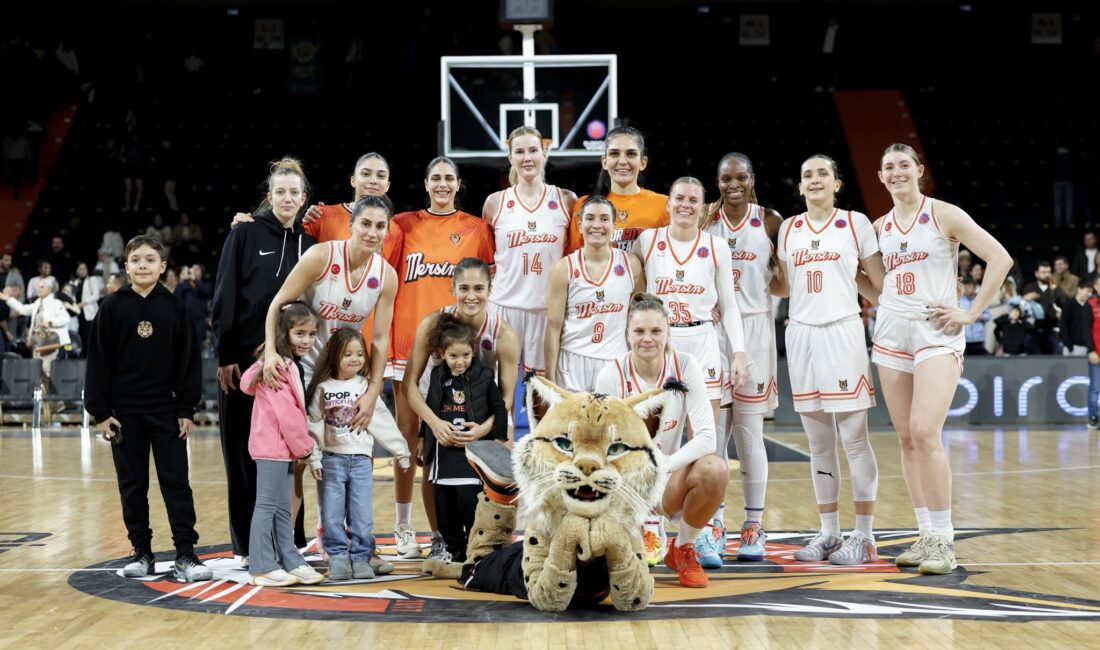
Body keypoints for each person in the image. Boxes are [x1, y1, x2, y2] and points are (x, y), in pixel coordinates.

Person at [870, 143, 1011, 574]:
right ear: (880, 177)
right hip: (892, 332)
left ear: (919, 170)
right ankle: (925, 533)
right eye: (888, 167)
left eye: (903, 165)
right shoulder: (878, 227)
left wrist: (970, 312)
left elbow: (999, 258)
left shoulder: (943, 213)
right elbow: (873, 281)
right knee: (906, 438)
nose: (896, 173)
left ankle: (945, 541)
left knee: (925, 430)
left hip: (938, 332)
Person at [257, 194, 398, 567]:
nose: (371, 232)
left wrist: (372, 391)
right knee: (299, 460)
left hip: (345, 376)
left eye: (379, 226)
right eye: (365, 224)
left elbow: (380, 340)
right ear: (351, 225)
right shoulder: (321, 256)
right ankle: (282, 549)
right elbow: (277, 305)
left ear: (387, 231)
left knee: (348, 456)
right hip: (303, 369)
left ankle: (350, 544)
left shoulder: (386, 276)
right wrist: (272, 352)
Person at [775, 154, 885, 566]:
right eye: (807, 175)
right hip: (801, 333)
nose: (815, 179)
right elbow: (784, 287)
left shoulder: (856, 224)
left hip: (842, 330)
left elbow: (879, 288)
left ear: (837, 183)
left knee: (855, 440)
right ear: (800, 187)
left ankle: (865, 536)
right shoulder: (788, 228)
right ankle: (829, 533)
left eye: (823, 173)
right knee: (818, 444)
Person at [84, 234, 211, 583]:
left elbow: (189, 361)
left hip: (166, 412)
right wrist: (99, 411)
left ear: (163, 266)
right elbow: (97, 362)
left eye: (150, 259)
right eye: (136, 260)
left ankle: (186, 553)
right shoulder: (111, 307)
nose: (143, 265)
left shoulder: (174, 307)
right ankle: (141, 552)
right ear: (126, 267)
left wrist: (186, 407)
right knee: (132, 485)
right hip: (123, 415)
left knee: (176, 484)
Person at [210, 157, 317, 563]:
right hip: (243, 364)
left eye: (295, 192)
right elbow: (224, 297)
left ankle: (291, 538)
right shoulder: (245, 234)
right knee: (242, 454)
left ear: (304, 198)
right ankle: (244, 545)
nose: (288, 198)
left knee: (288, 453)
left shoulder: (310, 243)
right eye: (281, 192)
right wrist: (224, 355)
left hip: (289, 367)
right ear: (269, 196)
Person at [388, 158, 495, 557]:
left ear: (459, 184)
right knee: (408, 446)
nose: (442, 184)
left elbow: (489, 282)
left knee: (445, 446)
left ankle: (450, 535)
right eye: (436, 177)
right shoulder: (401, 224)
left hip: (459, 351)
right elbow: (354, 224)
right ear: (426, 182)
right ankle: (403, 526)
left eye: (449, 178)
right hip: (411, 346)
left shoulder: (477, 229)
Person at [594, 294, 728, 588]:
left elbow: (707, 437)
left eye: (656, 331)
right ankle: (633, 530)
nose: (647, 339)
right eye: (639, 331)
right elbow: (601, 447)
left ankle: (683, 548)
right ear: (628, 334)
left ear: (668, 333)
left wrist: (662, 465)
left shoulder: (685, 365)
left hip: (664, 477)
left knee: (714, 469)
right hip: (622, 484)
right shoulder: (610, 375)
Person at [402, 258, 519, 560]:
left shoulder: (503, 334)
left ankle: (486, 540)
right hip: (438, 407)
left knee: (488, 475)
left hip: (481, 412)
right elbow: (410, 385)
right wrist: (430, 426)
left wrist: (489, 429)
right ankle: (440, 538)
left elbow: (507, 396)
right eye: (464, 287)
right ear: (452, 287)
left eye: (479, 288)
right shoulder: (432, 324)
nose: (471, 295)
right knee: (434, 470)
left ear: (489, 289)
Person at [701, 152, 786, 563]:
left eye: (740, 177)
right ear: (716, 181)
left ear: (752, 179)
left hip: (754, 328)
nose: (732, 184)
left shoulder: (770, 219)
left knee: (749, 434)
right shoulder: (705, 218)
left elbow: (784, 284)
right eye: (724, 178)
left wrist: (777, 277)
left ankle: (753, 526)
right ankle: (714, 525)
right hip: (712, 331)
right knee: (713, 435)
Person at [307, 329, 411, 580]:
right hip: (332, 460)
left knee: (362, 514)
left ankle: (361, 556)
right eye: (347, 354)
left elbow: (382, 420)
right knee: (332, 514)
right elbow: (313, 423)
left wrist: (401, 450)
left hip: (361, 461)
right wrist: (314, 457)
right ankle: (338, 557)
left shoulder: (366, 387)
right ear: (334, 356)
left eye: (359, 354)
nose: (355, 359)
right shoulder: (323, 388)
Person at [239, 302, 326, 588]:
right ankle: (262, 565)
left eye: (312, 334)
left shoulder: (287, 364)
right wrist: (305, 448)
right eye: (300, 333)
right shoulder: (278, 366)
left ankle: (290, 559)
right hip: (273, 447)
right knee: (265, 505)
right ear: (284, 333)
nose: (307, 340)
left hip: (282, 448)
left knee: (280, 509)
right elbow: (287, 414)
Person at [483, 126, 576, 376]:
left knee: (542, 392)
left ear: (544, 153)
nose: (527, 158)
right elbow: (488, 258)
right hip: (503, 306)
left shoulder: (566, 200)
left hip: (548, 309)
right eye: (520, 151)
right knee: (501, 389)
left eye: (533, 150)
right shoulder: (495, 203)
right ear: (510, 157)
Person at [416, 313, 508, 562]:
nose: (460, 362)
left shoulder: (486, 376)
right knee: (446, 511)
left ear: (473, 351)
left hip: (472, 459)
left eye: (465, 355)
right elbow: (430, 408)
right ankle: (455, 554)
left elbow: (499, 408)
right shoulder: (437, 376)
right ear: (442, 353)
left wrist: (498, 440)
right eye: (453, 356)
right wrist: (423, 438)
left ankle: (476, 554)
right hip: (443, 457)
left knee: (471, 507)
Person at [544, 195, 643, 391]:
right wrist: (550, 380)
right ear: (580, 225)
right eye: (590, 218)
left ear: (614, 225)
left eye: (604, 219)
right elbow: (553, 328)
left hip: (614, 360)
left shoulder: (631, 264)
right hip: (571, 363)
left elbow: (639, 320)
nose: (597, 225)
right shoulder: (564, 268)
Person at [566, 126, 668, 254]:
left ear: (643, 162)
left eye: (631, 154)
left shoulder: (664, 205)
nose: (622, 161)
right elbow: (574, 260)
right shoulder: (584, 205)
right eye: (614, 153)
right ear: (604, 161)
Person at [3, 276, 71, 375]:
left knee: (49, 370)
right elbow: (23, 309)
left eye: (42, 287)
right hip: (38, 343)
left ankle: (50, 390)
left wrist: (51, 322)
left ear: (49, 289)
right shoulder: (37, 304)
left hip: (50, 343)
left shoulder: (55, 303)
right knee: (39, 371)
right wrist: (8, 299)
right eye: (38, 287)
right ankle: (43, 390)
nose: (39, 289)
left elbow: (66, 318)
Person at [1022, 262, 1060, 354]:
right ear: (1037, 274)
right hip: (1032, 330)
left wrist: (1053, 292)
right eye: (1043, 272)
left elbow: (1061, 304)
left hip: (1050, 329)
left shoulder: (1055, 288)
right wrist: (1025, 299)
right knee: (1033, 360)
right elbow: (1022, 307)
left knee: (1051, 359)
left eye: (1048, 272)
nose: (1047, 275)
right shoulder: (1030, 287)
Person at [958, 277, 991, 355]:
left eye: (969, 286)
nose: (967, 289)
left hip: (979, 337)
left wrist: (980, 317)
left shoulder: (980, 299)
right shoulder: (960, 300)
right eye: (965, 286)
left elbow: (988, 316)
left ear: (974, 287)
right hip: (965, 337)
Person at [1060, 281, 1093, 356]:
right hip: (1073, 347)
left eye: (1091, 292)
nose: (1089, 294)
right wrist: (1069, 346)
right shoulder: (1069, 305)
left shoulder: (1089, 306)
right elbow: (1064, 325)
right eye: (1087, 291)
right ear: (1079, 289)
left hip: (1088, 347)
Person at [1086, 273, 1100, 429]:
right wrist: (1091, 350)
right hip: (1096, 353)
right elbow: (1086, 330)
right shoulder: (1090, 305)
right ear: (1095, 287)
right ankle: (1093, 417)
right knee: (1095, 387)